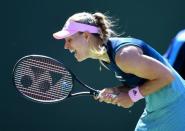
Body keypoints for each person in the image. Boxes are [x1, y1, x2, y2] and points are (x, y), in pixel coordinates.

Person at [53, 12, 185, 130]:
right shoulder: (107, 56)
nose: (66, 46)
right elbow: (144, 81)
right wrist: (117, 91)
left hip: (176, 107)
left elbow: (167, 76)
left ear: (86, 36)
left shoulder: (124, 56)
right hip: (159, 109)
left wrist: (131, 96)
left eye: (69, 40)